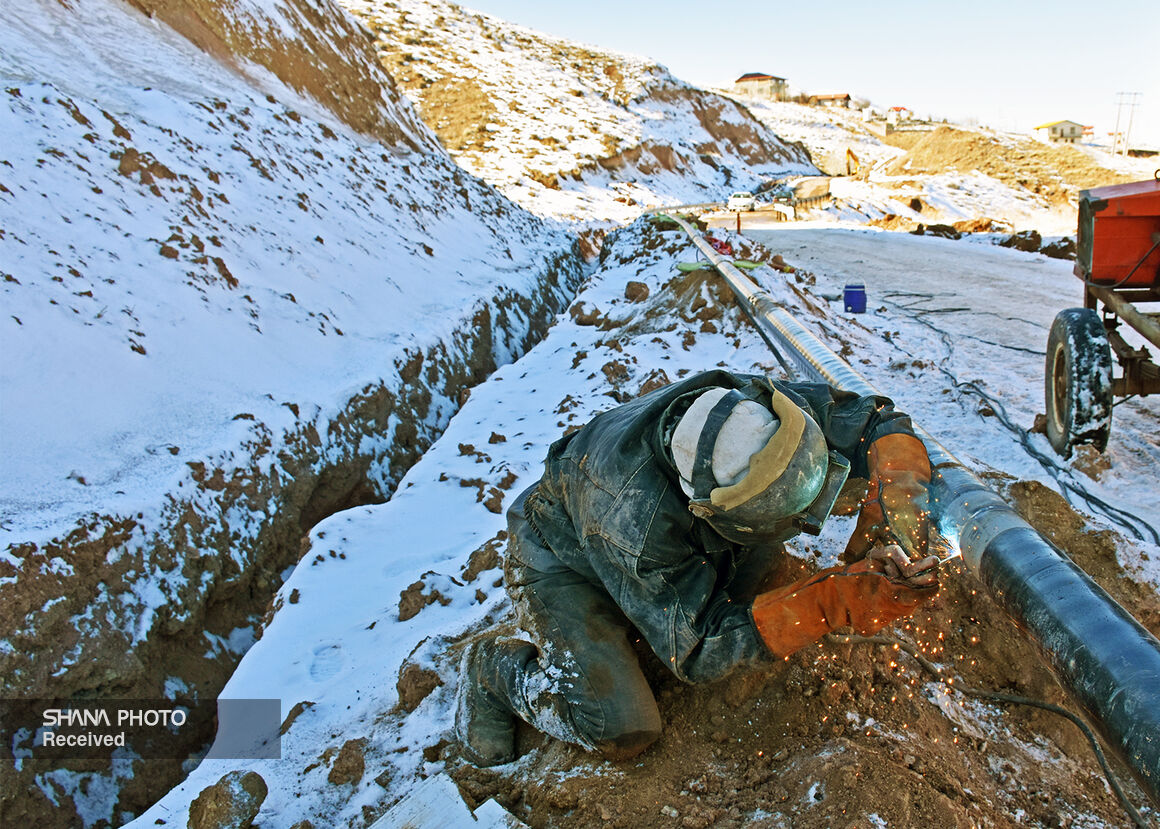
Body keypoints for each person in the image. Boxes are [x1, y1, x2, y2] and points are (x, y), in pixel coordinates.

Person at [455, 369, 940, 766]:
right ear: (714, 511)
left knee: (769, 590)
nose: (811, 520)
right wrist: (831, 601)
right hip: (564, 562)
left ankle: (677, 598)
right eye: (786, 506)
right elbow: (697, 653)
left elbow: (876, 420)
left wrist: (895, 505)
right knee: (621, 727)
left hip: (664, 530)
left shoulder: (758, 413)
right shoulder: (632, 522)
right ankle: (492, 671)